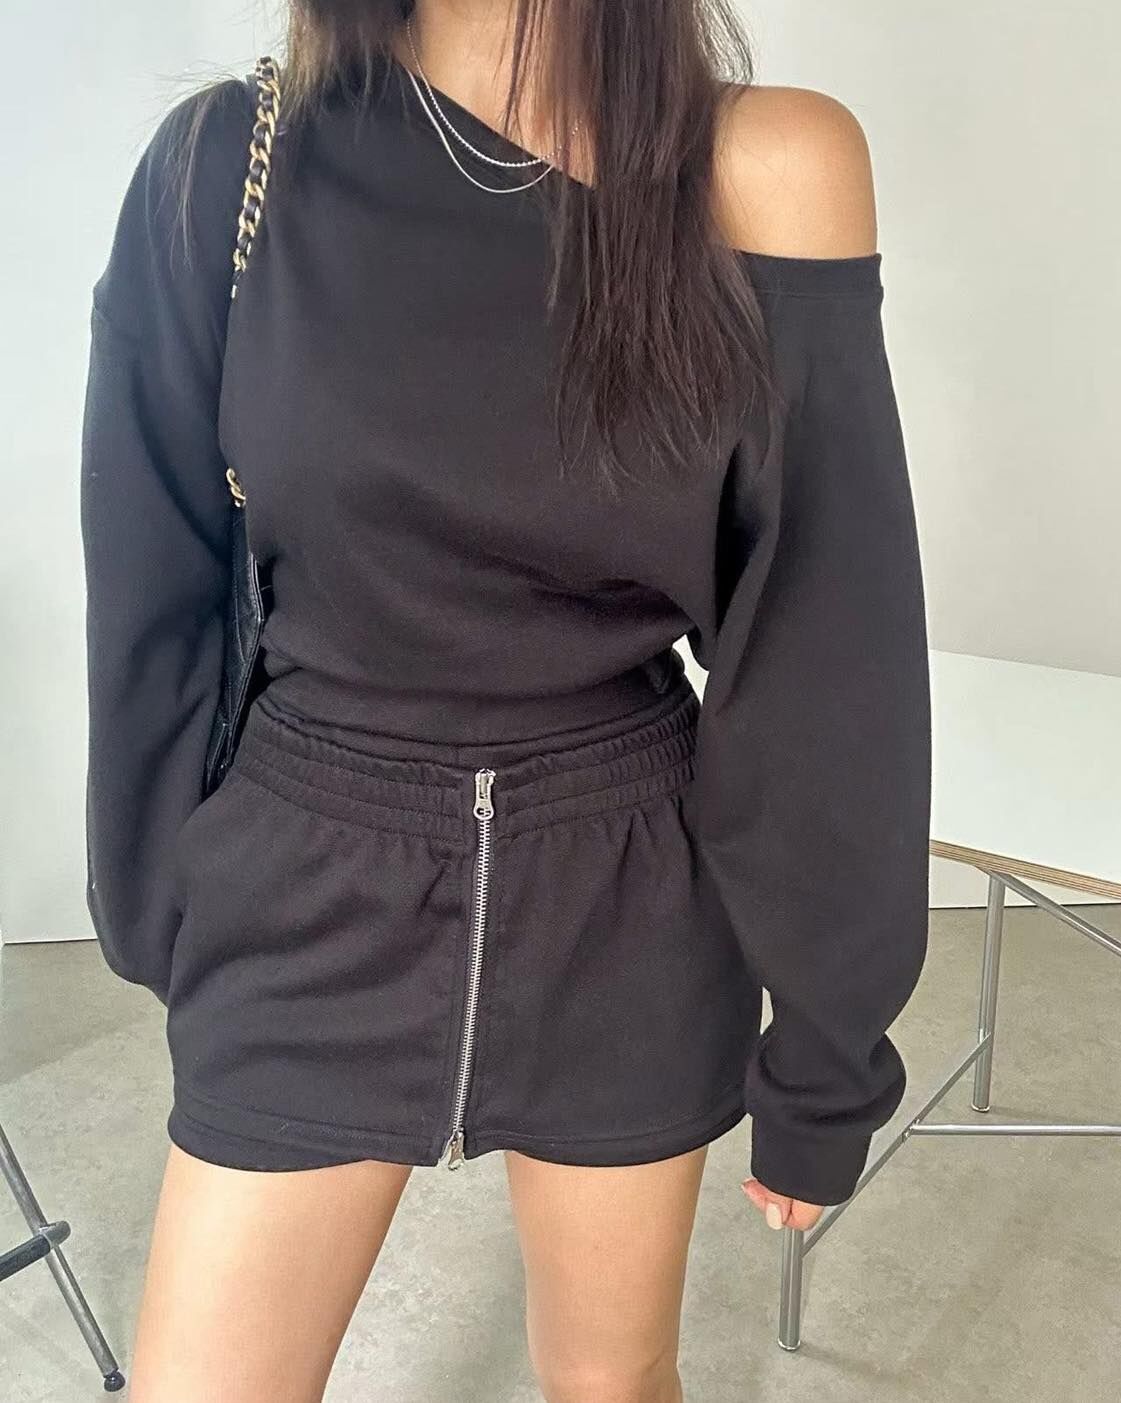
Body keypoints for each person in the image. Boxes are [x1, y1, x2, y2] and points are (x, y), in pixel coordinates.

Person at [79, 1, 931, 1399]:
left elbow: (827, 642)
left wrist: (829, 1047)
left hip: (628, 895)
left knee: (612, 1384)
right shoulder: (230, 162)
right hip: (306, 871)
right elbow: (152, 577)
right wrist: (173, 900)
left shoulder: (765, 166)